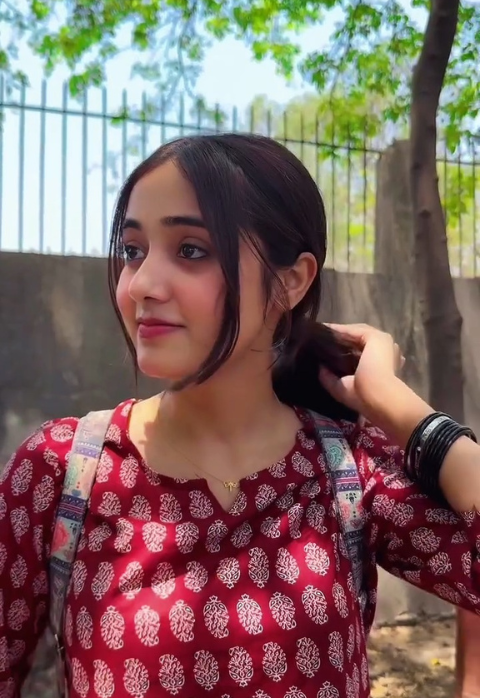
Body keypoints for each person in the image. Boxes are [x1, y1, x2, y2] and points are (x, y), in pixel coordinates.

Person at [0, 133, 479, 698]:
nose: (142, 285)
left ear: (291, 281)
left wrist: (405, 412)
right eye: (132, 250)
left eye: (191, 250)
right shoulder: (62, 473)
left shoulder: (348, 469)